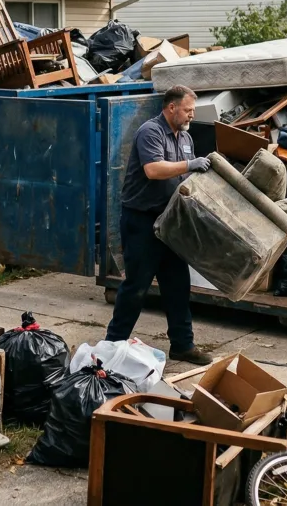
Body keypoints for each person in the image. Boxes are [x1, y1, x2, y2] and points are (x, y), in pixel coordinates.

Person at [104, 85, 215, 365]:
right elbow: (154, 170)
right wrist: (190, 164)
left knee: (178, 285)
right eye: (188, 110)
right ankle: (112, 346)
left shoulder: (186, 137)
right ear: (171, 107)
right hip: (142, 221)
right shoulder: (150, 132)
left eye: (193, 110)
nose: (191, 115)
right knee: (136, 287)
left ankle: (182, 345)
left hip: (170, 222)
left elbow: (183, 178)